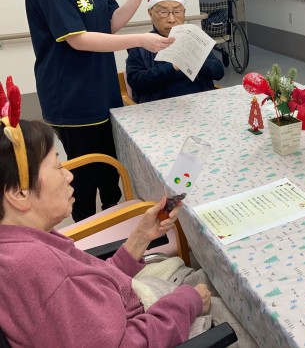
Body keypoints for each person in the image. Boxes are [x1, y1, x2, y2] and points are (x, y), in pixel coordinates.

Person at [0, 112, 258, 347]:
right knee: (248, 311)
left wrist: (141, 237)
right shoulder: (42, 270)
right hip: (149, 323)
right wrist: (187, 302)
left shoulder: (21, 245)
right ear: (19, 194)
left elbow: (92, 285)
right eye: (57, 167)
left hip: (132, 305)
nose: (68, 175)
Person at [25, 0, 173, 222]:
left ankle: (117, 232)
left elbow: (110, 23)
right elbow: (78, 40)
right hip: (73, 100)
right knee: (84, 182)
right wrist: (141, 40)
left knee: (110, 175)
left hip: (102, 93)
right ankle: (88, 240)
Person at [126, 0, 225, 104]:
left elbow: (219, 73)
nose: (171, 19)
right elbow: (136, 83)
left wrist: (196, 61)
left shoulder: (194, 38)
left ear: (184, 13)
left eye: (177, 12)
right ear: (150, 14)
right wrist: (172, 67)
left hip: (200, 103)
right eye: (163, 12)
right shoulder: (142, 45)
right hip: (160, 107)